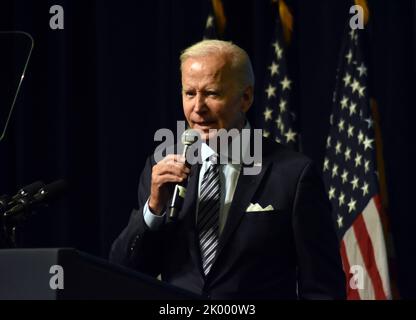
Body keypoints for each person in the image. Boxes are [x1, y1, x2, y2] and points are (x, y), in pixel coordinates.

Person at [110, 40, 346, 299]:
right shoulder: (162, 165)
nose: (197, 108)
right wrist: (153, 210)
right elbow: (124, 271)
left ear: (245, 98)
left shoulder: (293, 175)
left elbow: (323, 288)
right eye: (189, 93)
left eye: (212, 93)